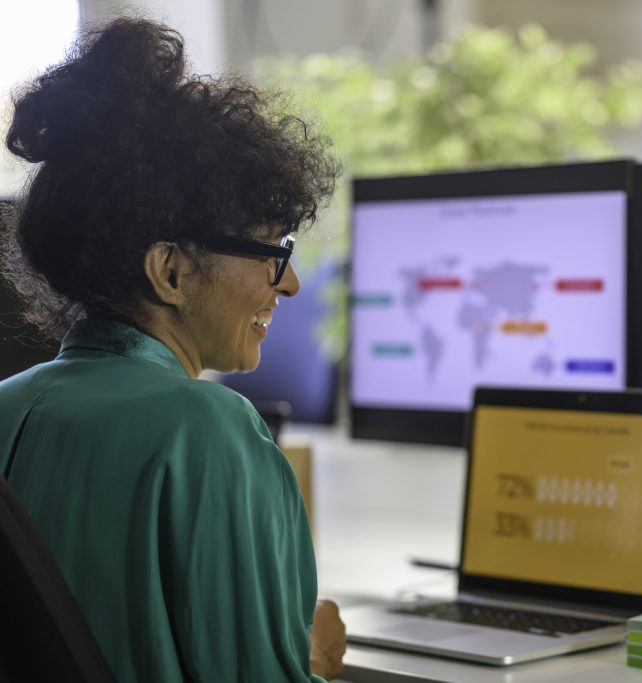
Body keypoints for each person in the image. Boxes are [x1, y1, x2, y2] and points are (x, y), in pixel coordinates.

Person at [0, 19, 345, 681]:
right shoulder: (211, 432)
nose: (291, 283)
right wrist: (316, 659)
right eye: (273, 252)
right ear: (171, 271)